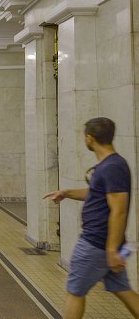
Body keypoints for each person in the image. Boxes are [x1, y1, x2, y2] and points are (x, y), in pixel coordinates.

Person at [43, 117, 139, 319]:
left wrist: (112, 249)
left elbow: (119, 210)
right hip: (106, 243)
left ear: (90, 138)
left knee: (75, 292)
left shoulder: (112, 167)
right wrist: (67, 192)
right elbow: (96, 194)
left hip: (96, 243)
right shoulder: (109, 165)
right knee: (123, 290)